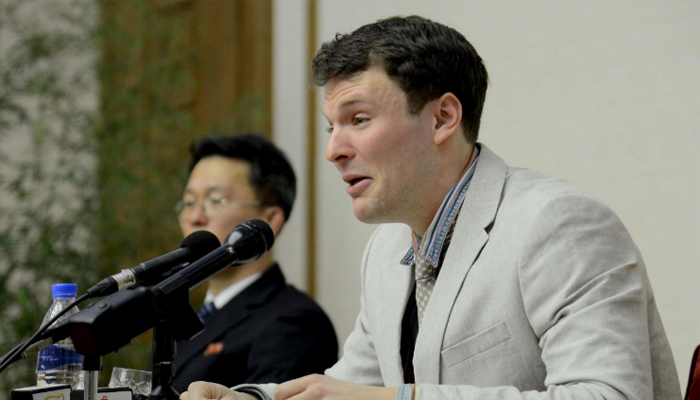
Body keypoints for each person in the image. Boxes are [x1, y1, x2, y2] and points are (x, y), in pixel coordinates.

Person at [181, 16, 681, 400]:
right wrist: (250, 398)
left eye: (358, 119)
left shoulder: (558, 223)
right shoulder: (387, 248)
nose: (333, 150)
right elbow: (345, 387)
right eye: (331, 127)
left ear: (442, 118)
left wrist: (402, 399)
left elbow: (609, 395)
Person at [170, 133, 338, 392]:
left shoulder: (294, 323)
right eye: (189, 202)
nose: (194, 217)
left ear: (268, 220)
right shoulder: (185, 318)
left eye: (215, 201)